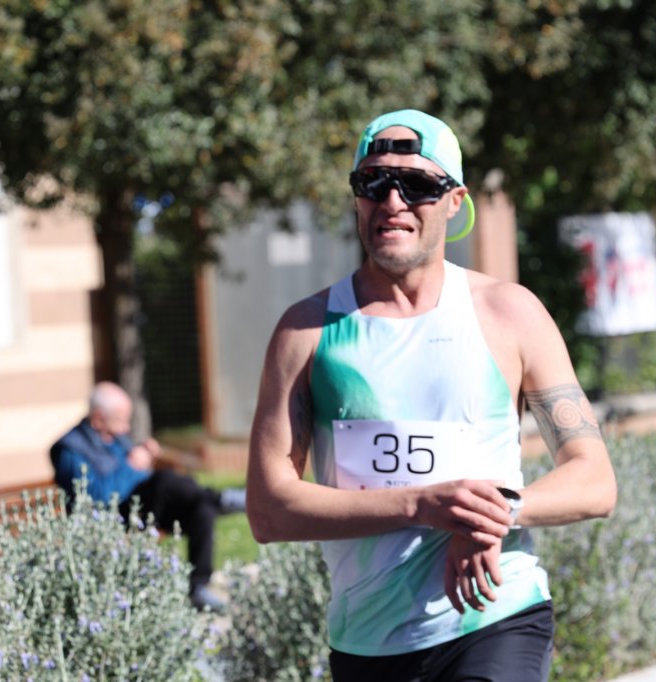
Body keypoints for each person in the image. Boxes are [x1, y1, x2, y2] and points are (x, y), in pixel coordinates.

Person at [246, 109, 617, 682]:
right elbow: (270, 510)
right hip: (368, 640)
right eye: (373, 182)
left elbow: (594, 480)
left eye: (417, 184)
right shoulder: (306, 331)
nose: (393, 201)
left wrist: (491, 513)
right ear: (357, 198)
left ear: (454, 201)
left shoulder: (510, 313)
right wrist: (421, 506)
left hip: (496, 616)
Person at [50, 381, 246, 612]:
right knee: (165, 480)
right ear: (99, 417)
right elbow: (94, 497)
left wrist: (143, 454)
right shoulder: (69, 450)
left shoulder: (114, 438)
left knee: (201, 509)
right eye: (121, 420)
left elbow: (139, 475)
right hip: (114, 519)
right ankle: (220, 499)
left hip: (146, 507)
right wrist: (130, 465)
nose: (125, 428)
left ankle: (198, 588)